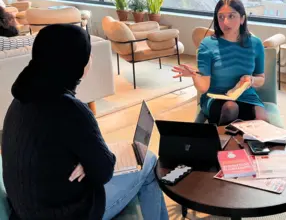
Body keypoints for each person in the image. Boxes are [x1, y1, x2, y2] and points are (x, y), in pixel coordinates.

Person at [2, 24, 169, 220]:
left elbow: (51, 148)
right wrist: (92, 162)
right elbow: (103, 171)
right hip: (66, 213)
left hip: (27, 208)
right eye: (87, 54)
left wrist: (85, 160)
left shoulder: (20, 98)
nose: (91, 59)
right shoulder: (71, 110)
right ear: (75, 63)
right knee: (148, 161)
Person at [172, 0, 267, 126]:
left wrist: (251, 80)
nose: (225, 22)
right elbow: (204, 87)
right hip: (215, 97)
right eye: (221, 17)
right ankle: (221, 144)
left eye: (231, 16)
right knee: (231, 108)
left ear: (242, 19)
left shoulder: (255, 44)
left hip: (246, 96)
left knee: (262, 121)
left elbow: (260, 78)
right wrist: (195, 76)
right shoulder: (207, 44)